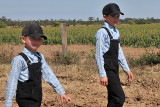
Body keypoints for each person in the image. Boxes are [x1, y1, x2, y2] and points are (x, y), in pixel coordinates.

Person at [5, 23, 71, 107]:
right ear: (23, 39)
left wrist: (61, 92)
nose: (36, 41)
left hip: (37, 99)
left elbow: (49, 74)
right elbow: (12, 82)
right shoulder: (19, 60)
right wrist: (8, 103)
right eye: (33, 38)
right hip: (25, 102)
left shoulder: (40, 57)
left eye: (39, 39)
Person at [95, 3, 133, 107]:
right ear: (105, 17)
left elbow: (119, 52)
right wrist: (102, 74)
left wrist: (127, 69)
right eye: (113, 16)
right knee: (119, 97)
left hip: (115, 67)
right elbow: (98, 55)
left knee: (113, 97)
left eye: (118, 16)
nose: (116, 19)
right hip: (108, 68)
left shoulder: (116, 32)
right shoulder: (101, 33)